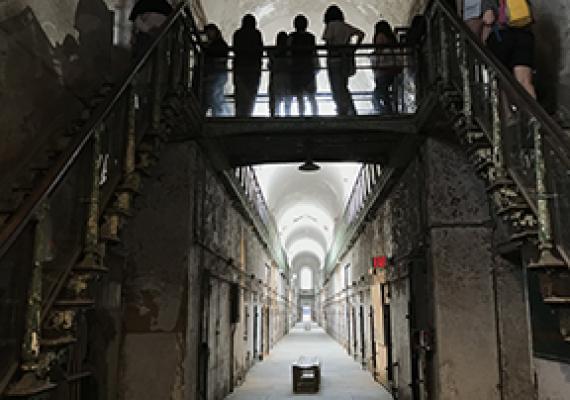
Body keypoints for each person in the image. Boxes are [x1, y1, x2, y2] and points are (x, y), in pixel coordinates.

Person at [485, 0, 536, 98]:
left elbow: (488, 18)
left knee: (500, 81)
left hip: (501, 36)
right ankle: (533, 113)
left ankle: (506, 113)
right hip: (525, 34)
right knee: (525, 82)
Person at [322, 5, 365, 116]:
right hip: (346, 59)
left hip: (334, 59)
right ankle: (350, 109)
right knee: (344, 86)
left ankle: (342, 109)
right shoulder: (345, 26)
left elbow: (328, 41)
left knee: (336, 86)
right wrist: (354, 49)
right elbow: (361, 34)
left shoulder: (330, 26)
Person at [232, 14, 264, 117]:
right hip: (253, 68)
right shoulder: (256, 34)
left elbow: (235, 50)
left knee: (240, 93)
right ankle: (248, 114)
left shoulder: (238, 34)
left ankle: (239, 115)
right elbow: (260, 51)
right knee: (251, 93)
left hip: (240, 68)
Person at [289, 14, 319, 116]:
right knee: (311, 96)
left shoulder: (291, 37)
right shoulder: (311, 37)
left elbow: (288, 52)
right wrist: (317, 65)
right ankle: (315, 115)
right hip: (308, 67)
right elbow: (314, 52)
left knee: (299, 96)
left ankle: (301, 115)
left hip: (296, 68)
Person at [371, 21, 399, 114]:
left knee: (378, 94)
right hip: (391, 70)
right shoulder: (392, 41)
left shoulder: (380, 36)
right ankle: (387, 111)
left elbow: (378, 50)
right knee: (383, 93)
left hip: (383, 70)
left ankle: (385, 112)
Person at [202, 24, 230, 116]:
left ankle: (217, 114)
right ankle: (218, 114)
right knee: (215, 96)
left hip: (215, 74)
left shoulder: (217, 45)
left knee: (213, 96)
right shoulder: (220, 44)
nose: (208, 35)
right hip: (217, 74)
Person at [268, 32, 292, 117]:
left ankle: (274, 115)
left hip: (276, 76)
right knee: (287, 98)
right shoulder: (290, 52)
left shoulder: (273, 52)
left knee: (276, 98)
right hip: (287, 76)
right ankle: (288, 115)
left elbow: (270, 66)